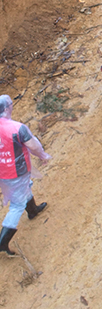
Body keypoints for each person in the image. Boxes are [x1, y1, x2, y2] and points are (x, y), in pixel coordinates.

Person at [0, 95, 50, 257]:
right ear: (7, 108)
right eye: (11, 104)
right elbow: (33, 145)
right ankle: (2, 243)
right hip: (17, 170)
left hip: (2, 172)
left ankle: (33, 210)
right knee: (16, 205)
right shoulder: (17, 128)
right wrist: (43, 156)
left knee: (24, 188)